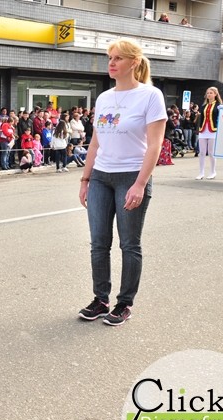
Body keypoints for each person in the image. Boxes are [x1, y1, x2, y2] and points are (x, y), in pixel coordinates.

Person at [78, 38, 166, 326]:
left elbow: (154, 145)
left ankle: (124, 303)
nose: (112, 63)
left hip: (131, 176)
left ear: (134, 62)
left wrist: (140, 183)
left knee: (129, 244)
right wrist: (85, 179)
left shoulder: (150, 96)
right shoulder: (104, 98)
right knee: (98, 243)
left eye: (118, 58)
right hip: (101, 177)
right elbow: (95, 143)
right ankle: (100, 299)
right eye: (110, 58)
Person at [196, 87, 222, 180]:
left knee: (211, 153)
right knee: (201, 153)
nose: (209, 95)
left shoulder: (218, 106)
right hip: (203, 130)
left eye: (211, 93)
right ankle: (201, 172)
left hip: (213, 131)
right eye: (208, 93)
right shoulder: (203, 106)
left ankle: (213, 172)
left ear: (215, 94)